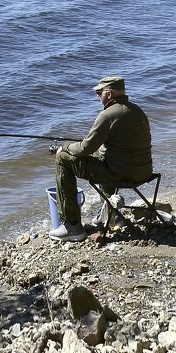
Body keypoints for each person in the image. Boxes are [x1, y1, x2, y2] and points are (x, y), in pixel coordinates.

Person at [50, 76, 153, 242]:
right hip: (144, 172)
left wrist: (66, 147)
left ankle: (72, 226)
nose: (98, 97)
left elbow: (85, 148)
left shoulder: (107, 115)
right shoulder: (136, 110)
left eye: (99, 93)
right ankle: (111, 214)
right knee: (101, 155)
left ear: (109, 94)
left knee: (62, 159)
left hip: (122, 174)